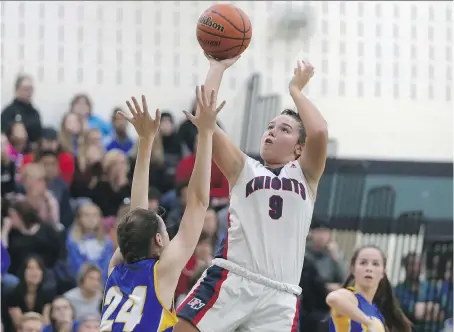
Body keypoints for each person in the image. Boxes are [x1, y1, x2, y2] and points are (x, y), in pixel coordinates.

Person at [175, 56, 328, 331]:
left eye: (284, 129)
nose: (271, 132)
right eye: (270, 127)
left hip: (280, 296)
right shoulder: (244, 168)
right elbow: (205, 116)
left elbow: (318, 130)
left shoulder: (306, 176)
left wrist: (295, 90)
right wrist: (217, 67)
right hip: (233, 278)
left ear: (299, 148)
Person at [100, 87, 224, 332]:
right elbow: (198, 202)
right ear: (158, 239)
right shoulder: (161, 272)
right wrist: (206, 134)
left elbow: (137, 216)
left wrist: (145, 143)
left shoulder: (115, 271)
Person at [326, 245, 412, 332]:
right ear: (353, 269)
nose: (369, 268)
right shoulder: (350, 297)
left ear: (383, 272)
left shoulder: (377, 313)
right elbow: (333, 298)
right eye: (363, 263)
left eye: (375, 264)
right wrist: (368, 323)